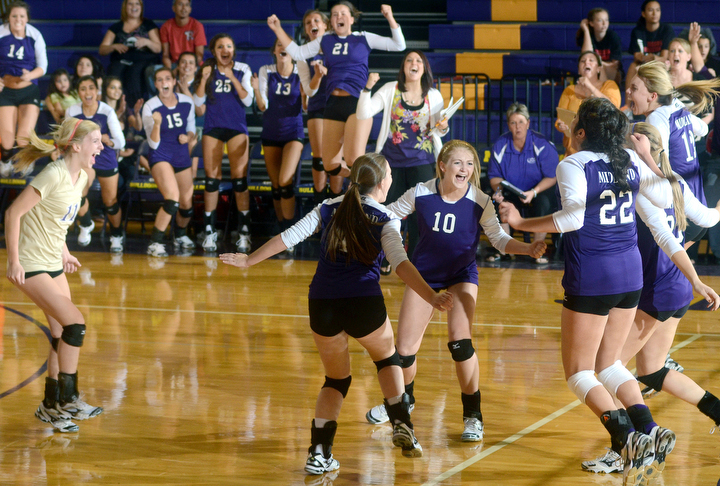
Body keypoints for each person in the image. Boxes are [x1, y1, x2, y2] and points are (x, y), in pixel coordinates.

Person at [220, 153, 453, 472]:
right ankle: (402, 423)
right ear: (382, 183)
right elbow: (400, 264)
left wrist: (248, 260)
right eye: (389, 175)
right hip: (362, 302)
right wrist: (431, 295)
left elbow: (288, 237)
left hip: (322, 304)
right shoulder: (385, 218)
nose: (391, 179)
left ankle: (319, 453)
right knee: (387, 360)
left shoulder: (328, 206)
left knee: (336, 379)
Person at [499, 98, 682, 486]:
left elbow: (572, 219)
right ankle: (649, 429)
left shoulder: (573, 163)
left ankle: (626, 437)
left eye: (575, 124)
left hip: (594, 274)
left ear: (582, 132)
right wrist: (647, 159)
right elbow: (667, 199)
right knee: (611, 365)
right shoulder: (627, 159)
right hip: (630, 272)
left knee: (579, 373)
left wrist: (520, 222)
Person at [363, 140, 546, 442]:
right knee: (404, 350)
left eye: (470, 164)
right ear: (443, 166)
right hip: (424, 276)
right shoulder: (421, 192)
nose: (465, 169)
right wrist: (358, 213)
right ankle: (402, 401)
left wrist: (527, 248)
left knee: (460, 343)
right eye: (458, 163)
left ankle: (473, 415)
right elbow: (389, 214)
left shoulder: (479, 200)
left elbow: (498, 239)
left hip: (461, 275)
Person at [582, 122, 720, 474]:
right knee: (652, 370)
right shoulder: (672, 183)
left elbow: (665, 237)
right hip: (675, 287)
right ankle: (717, 410)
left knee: (608, 368)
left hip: (658, 288)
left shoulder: (640, 187)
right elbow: (705, 220)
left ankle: (625, 448)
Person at [4, 117, 105, 433]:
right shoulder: (53, 174)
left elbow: (53, 220)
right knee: (76, 324)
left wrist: (64, 252)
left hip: (52, 261)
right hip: (31, 263)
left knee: (61, 333)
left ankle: (50, 405)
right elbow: (13, 213)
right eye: (96, 141)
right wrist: (13, 261)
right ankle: (70, 398)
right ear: (76, 146)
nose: (101, 147)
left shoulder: (82, 177)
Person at [267, 2, 406, 193]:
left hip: (357, 103)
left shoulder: (363, 38)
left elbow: (399, 45)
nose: (338, 16)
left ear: (352, 19)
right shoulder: (325, 40)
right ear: (331, 22)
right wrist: (277, 28)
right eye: (334, 14)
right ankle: (367, 179)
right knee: (329, 165)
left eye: (343, 13)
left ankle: (362, 197)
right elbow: (298, 53)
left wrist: (389, 17)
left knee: (352, 159)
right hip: (332, 103)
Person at [356, 49, 448, 267]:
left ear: (424, 68)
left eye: (418, 61)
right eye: (409, 60)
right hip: (392, 163)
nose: (413, 63)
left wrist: (443, 126)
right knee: (387, 212)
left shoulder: (433, 95)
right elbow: (363, 113)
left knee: (420, 215)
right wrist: (367, 88)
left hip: (423, 162)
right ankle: (386, 258)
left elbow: (440, 130)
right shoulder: (391, 89)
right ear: (404, 67)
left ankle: (414, 263)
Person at [625, 60, 720, 246]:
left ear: (653, 96)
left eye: (634, 88)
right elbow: (702, 129)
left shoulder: (656, 118)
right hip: (696, 204)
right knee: (672, 262)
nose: (628, 91)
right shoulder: (676, 108)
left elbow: (660, 164)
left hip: (679, 210)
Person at [193, 33, 253, 253]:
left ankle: (244, 231)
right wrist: (203, 79)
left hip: (237, 127)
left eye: (228, 46)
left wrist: (232, 78)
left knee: (239, 179)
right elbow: (198, 101)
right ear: (213, 51)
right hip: (214, 127)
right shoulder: (208, 70)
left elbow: (248, 100)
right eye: (220, 46)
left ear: (233, 50)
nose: (225, 50)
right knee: (212, 179)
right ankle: (209, 231)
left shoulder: (242, 69)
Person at [489, 103, 558, 264]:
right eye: (513, 123)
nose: (517, 127)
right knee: (498, 202)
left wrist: (533, 192)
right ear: (508, 125)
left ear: (528, 123)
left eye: (521, 122)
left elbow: (552, 176)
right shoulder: (500, 145)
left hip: (537, 190)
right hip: (512, 191)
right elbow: (494, 177)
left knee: (544, 202)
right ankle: (504, 251)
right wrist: (498, 191)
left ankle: (537, 250)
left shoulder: (541, 143)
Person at [251, 39, 304, 242]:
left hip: (293, 132)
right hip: (271, 132)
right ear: (274, 51)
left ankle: (290, 234)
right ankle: (282, 232)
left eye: (287, 45)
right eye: (279, 45)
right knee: (275, 185)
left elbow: (306, 106)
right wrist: (256, 89)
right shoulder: (266, 70)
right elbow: (262, 106)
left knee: (284, 181)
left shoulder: (301, 71)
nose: (283, 48)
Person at [66, 76, 127, 253]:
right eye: (83, 88)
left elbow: (121, 141)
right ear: (78, 93)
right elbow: (67, 138)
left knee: (110, 201)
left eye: (91, 88)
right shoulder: (72, 111)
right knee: (77, 193)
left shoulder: (107, 111)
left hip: (105, 157)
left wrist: (109, 140)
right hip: (85, 158)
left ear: (97, 91)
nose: (87, 92)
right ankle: (86, 224)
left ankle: (116, 235)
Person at [142, 67, 196, 257]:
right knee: (172, 198)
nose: (164, 82)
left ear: (174, 82)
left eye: (167, 78)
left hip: (180, 154)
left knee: (186, 204)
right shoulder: (150, 106)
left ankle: (179, 235)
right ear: (155, 84)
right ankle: (155, 242)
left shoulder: (187, 102)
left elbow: (192, 130)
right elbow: (153, 143)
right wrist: (156, 124)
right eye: (159, 79)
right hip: (160, 155)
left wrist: (188, 137)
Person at [0, 1, 47, 176]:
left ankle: (28, 159)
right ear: (8, 18)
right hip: (6, 91)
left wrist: (30, 75)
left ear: (27, 18)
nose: (18, 19)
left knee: (22, 138)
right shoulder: (1, 33)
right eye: (14, 16)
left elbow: (43, 67)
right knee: (7, 140)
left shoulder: (35, 35)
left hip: (28, 91)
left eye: (22, 16)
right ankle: (5, 161)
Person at [555, 51, 621, 156]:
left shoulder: (609, 85)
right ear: (578, 69)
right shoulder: (569, 90)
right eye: (583, 61)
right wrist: (561, 125)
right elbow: (560, 118)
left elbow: (612, 108)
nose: (586, 63)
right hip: (573, 153)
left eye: (591, 60)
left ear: (598, 69)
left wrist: (589, 86)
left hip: (601, 151)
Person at [296, 9, 331, 205]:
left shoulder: (338, 47)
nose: (312, 24)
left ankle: (336, 201)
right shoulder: (303, 54)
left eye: (316, 20)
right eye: (308, 22)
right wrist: (318, 76)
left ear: (325, 25)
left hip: (338, 105)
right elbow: (308, 89)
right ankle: (320, 204)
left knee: (335, 158)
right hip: (317, 105)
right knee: (319, 157)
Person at [99, 0, 161, 107]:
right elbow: (102, 50)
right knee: (114, 71)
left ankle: (135, 108)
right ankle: (115, 107)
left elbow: (158, 48)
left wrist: (147, 42)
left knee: (134, 73)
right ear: (125, 7)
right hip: (122, 60)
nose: (134, 6)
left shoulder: (148, 25)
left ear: (141, 7)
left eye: (137, 3)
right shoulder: (116, 27)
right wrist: (114, 46)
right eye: (130, 3)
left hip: (143, 60)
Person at [626, 0, 674, 86]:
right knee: (633, 66)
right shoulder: (637, 31)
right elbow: (637, 56)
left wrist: (653, 58)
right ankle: (629, 94)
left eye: (657, 10)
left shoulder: (667, 30)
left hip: (661, 64)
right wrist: (646, 58)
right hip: (644, 63)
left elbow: (665, 57)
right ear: (643, 13)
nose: (654, 13)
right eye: (651, 10)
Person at [577, 7, 623, 84]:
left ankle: (603, 90)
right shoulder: (587, 37)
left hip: (612, 72)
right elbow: (587, 55)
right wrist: (586, 30)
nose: (604, 23)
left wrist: (599, 63)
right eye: (600, 20)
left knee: (599, 67)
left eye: (606, 20)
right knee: (592, 67)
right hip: (594, 70)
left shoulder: (613, 37)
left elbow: (614, 64)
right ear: (591, 23)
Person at [160, 0, 206, 68]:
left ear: (190, 9)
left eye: (187, 5)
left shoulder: (197, 26)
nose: (184, 8)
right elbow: (165, 55)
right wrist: (170, 70)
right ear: (174, 8)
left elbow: (199, 55)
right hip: (175, 64)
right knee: (151, 70)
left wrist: (188, 67)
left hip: (193, 64)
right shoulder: (166, 27)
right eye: (180, 4)